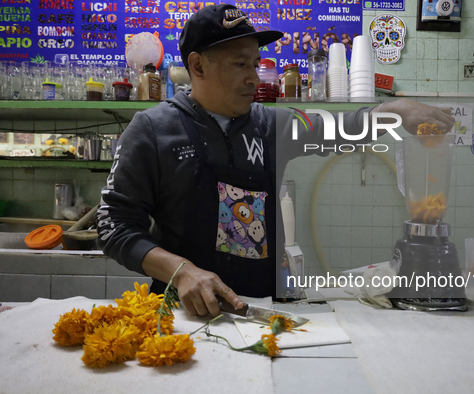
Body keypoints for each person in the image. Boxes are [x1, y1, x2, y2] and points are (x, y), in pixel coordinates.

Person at [97, 4, 454, 318]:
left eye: (255, 63)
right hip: (182, 316)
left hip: (263, 311)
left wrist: (395, 110)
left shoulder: (273, 126)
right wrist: (181, 270)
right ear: (197, 65)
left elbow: (342, 127)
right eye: (240, 64)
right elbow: (114, 225)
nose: (254, 77)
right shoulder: (153, 129)